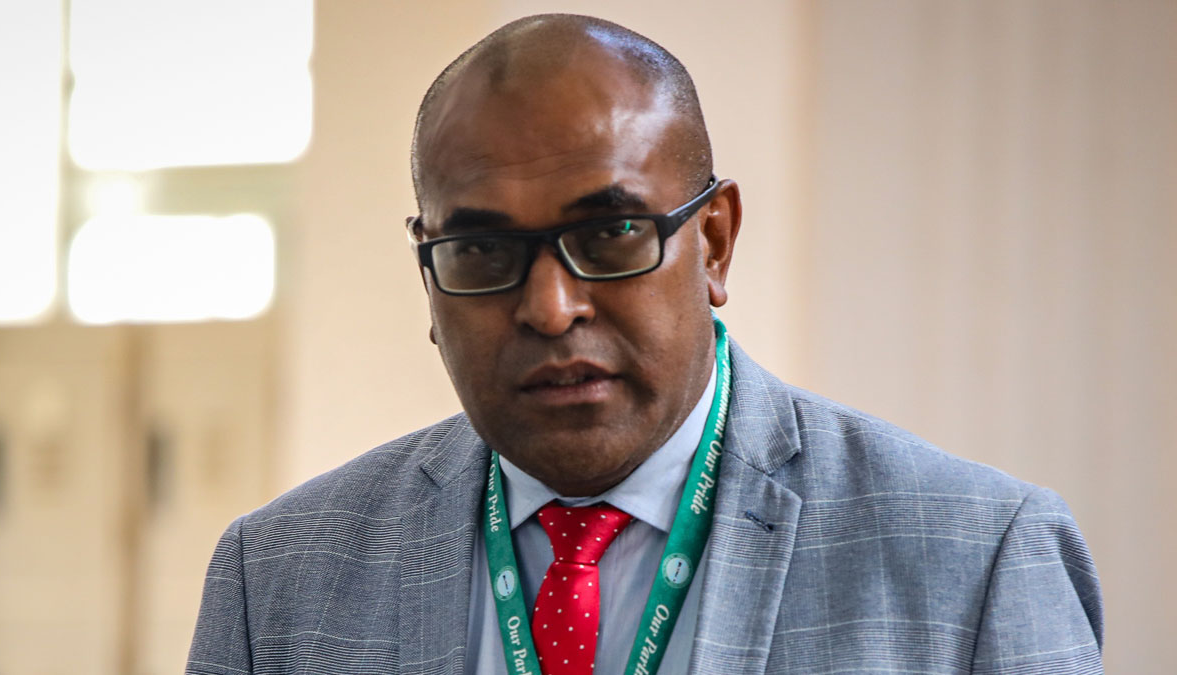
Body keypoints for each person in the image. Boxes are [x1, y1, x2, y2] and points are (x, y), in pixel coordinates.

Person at [187, 14, 1103, 675]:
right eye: (481, 250)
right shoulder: (278, 579)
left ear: (715, 243)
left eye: (612, 233)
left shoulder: (976, 560)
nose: (551, 308)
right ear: (428, 274)